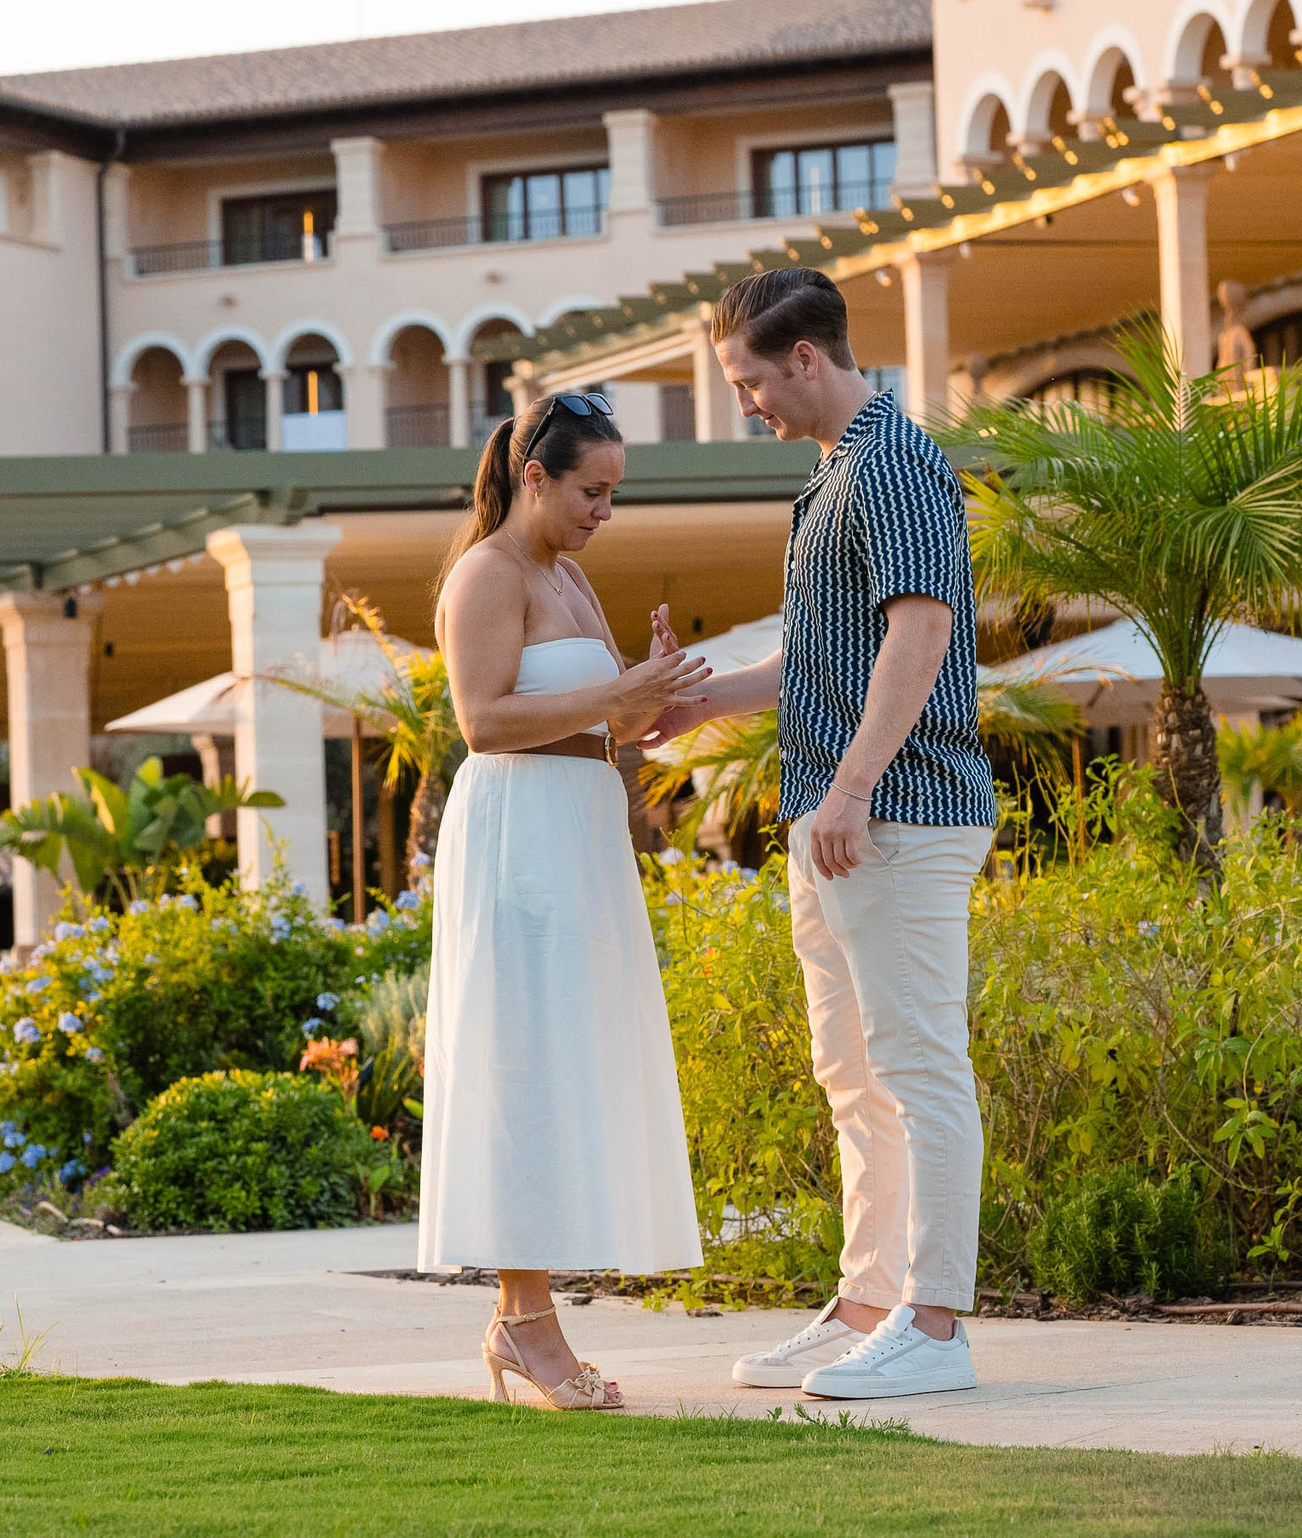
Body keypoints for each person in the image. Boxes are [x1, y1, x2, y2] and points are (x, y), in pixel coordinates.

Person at [644, 268, 999, 1400]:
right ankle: (864, 1306)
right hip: (838, 815)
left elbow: (922, 626)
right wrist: (712, 701)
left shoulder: (891, 458)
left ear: (805, 358)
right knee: (852, 1074)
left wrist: (850, 789)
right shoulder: (835, 471)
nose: (744, 401)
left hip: (891, 814)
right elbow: (827, 657)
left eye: (749, 380)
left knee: (917, 1067)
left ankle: (934, 1330)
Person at [418, 391, 713, 1411]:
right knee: (521, 1064)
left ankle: (522, 1320)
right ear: (533, 476)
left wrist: (647, 709)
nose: (604, 512)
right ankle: (524, 1324)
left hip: (579, 829)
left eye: (614, 495)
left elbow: (594, 720)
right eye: (593, 490)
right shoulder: (487, 574)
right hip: (519, 835)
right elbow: (485, 720)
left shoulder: (571, 576)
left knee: (565, 1058)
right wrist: (617, 691)